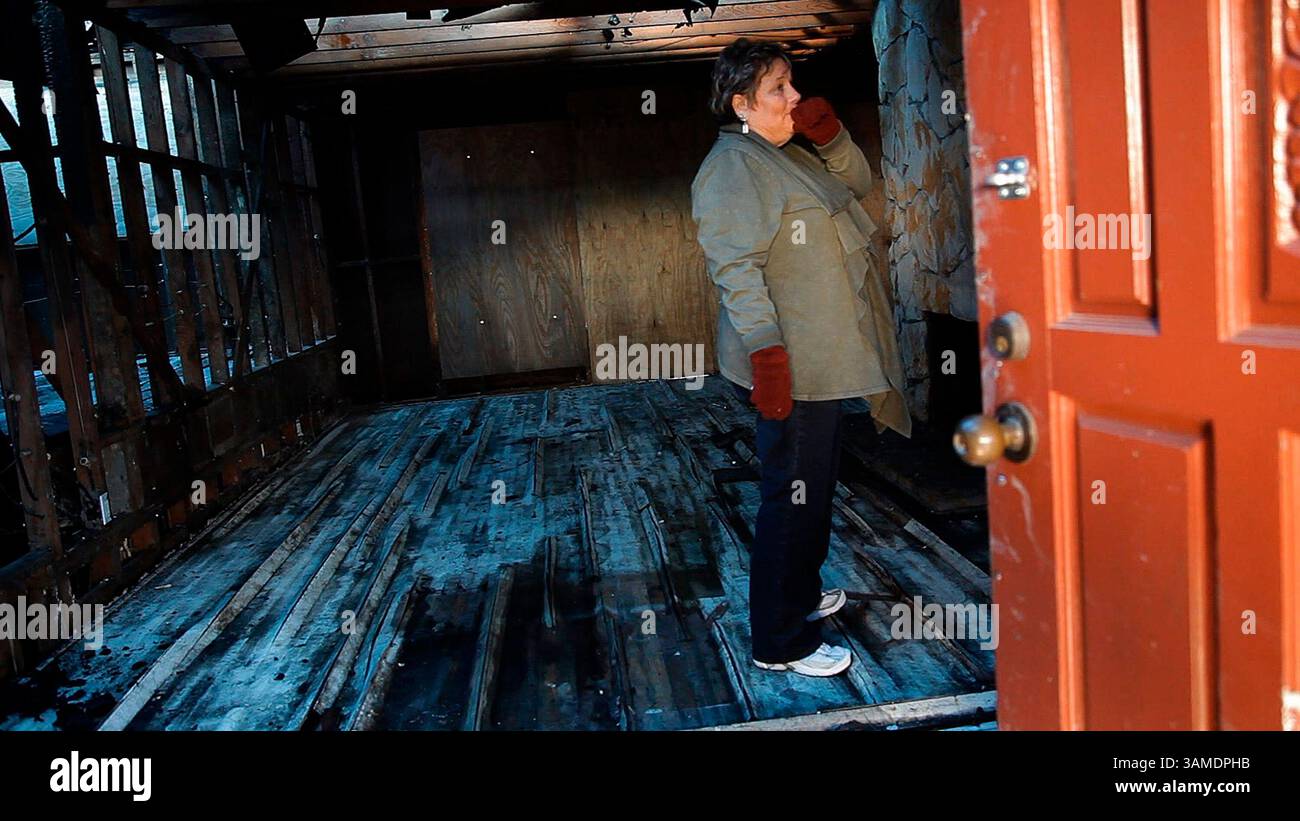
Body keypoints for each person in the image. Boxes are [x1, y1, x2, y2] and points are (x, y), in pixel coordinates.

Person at [690, 39, 912, 677]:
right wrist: (767, 356)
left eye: (793, 84)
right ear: (742, 104)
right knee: (790, 498)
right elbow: (734, 267)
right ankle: (781, 642)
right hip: (792, 363)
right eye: (779, 90)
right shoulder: (736, 165)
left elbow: (857, 183)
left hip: (824, 355)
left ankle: (801, 594)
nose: (796, 99)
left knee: (812, 491)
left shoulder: (783, 154)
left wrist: (832, 134)